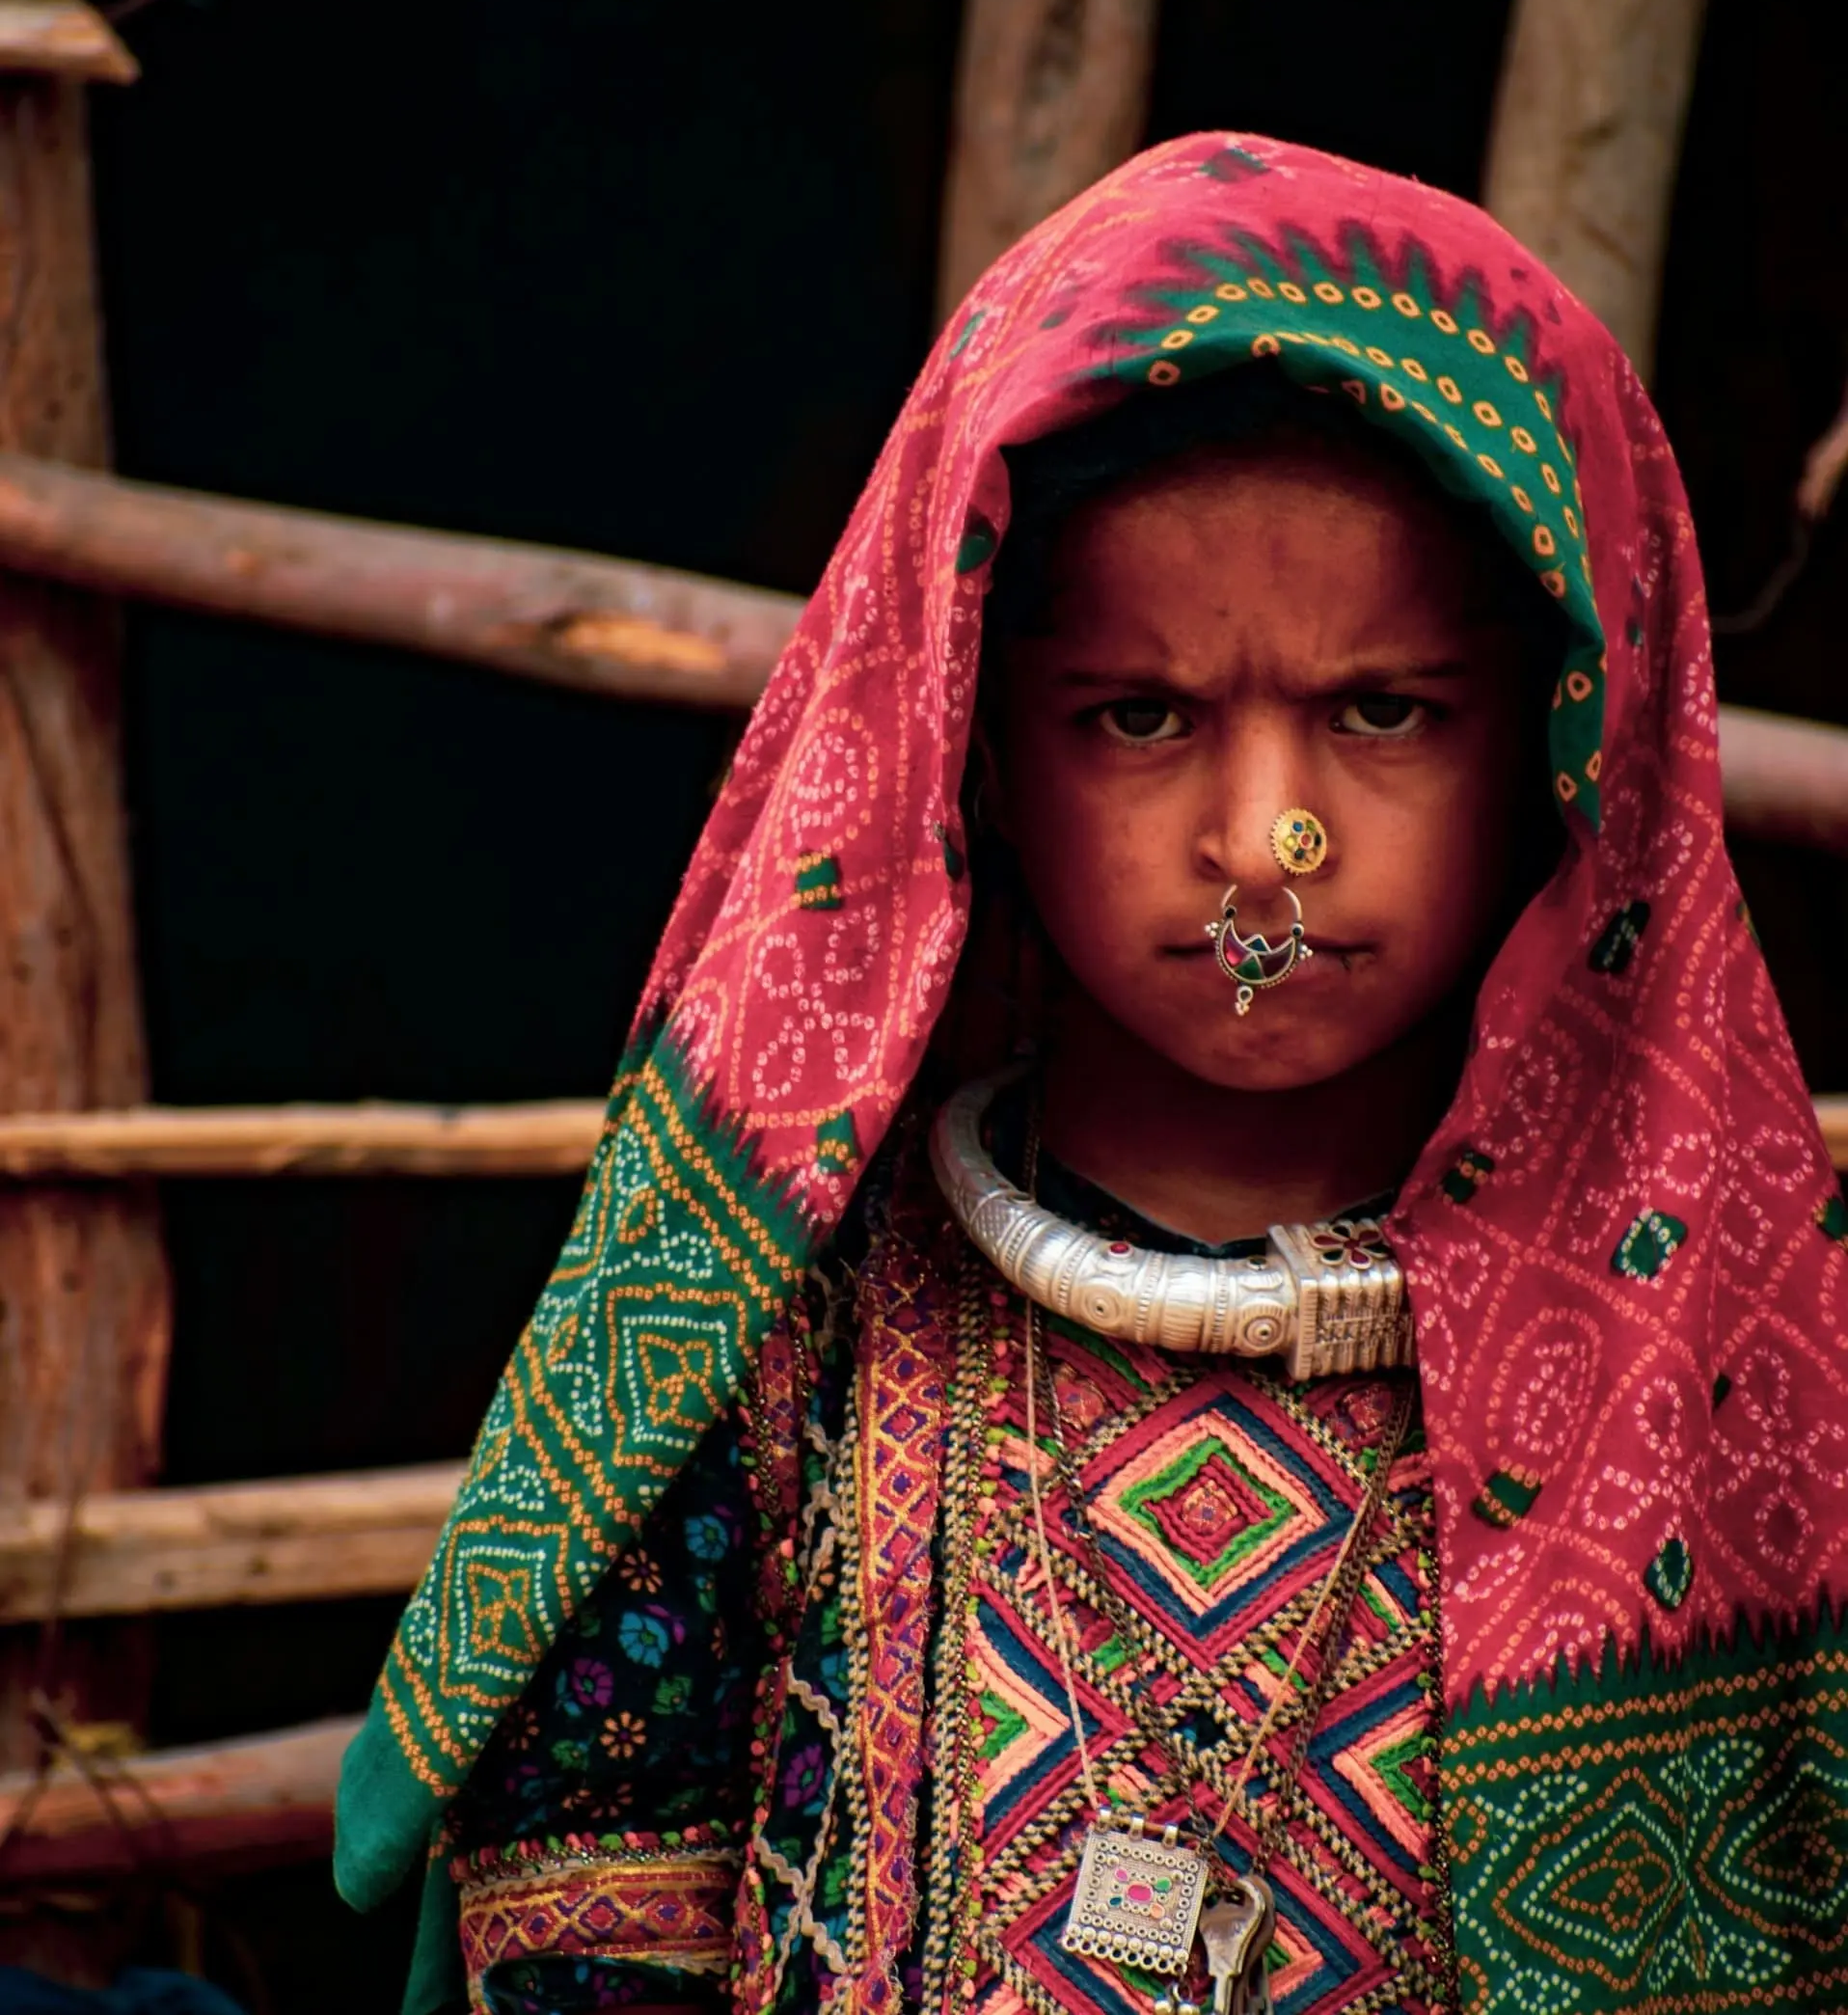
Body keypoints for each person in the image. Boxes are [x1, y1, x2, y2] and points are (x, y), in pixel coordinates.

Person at [334, 136, 1848, 2015]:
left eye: (1384, 709)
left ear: (1569, 744)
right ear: (966, 740)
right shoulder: (772, 1344)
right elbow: (584, 1914)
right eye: (1140, 716)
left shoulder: (1741, 1397)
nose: (1268, 841)